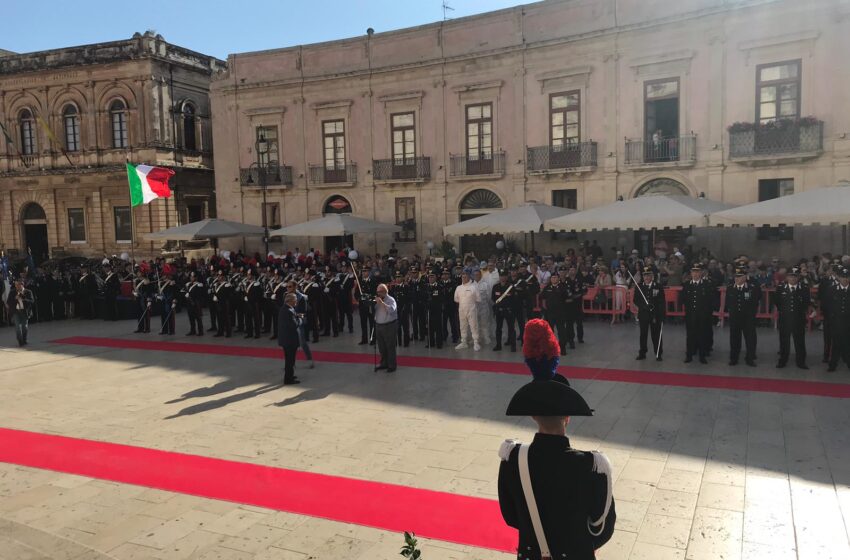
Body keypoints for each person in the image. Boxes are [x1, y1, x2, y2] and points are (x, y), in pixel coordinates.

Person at [498, 320, 616, 560]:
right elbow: (602, 529)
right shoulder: (591, 465)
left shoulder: (513, 460)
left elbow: (511, 516)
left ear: (532, 415)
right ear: (568, 417)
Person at [773, 267, 810, 369]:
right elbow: (777, 302)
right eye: (790, 276)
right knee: (784, 341)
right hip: (785, 319)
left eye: (795, 276)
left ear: (798, 277)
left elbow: (806, 303)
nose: (793, 278)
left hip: (799, 319)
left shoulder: (804, 288)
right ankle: (783, 361)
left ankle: (801, 362)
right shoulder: (781, 288)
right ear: (787, 277)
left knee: (800, 341)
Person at [726, 267, 760, 366]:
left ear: (745, 277)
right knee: (734, 338)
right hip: (735, 317)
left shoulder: (752, 288)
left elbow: (755, 302)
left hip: (748, 318)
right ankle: (734, 358)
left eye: (740, 277)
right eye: (736, 277)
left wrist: (751, 314)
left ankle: (750, 358)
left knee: (750, 339)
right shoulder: (730, 288)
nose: (737, 279)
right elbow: (729, 303)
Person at [681, 263, 714, 364]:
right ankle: (689, 355)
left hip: (703, 316)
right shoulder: (687, 285)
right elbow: (682, 299)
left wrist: (707, 314)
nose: (695, 274)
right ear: (691, 273)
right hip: (691, 315)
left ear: (701, 273)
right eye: (693, 272)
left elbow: (710, 301)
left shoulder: (706, 285)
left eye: (697, 272)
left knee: (702, 335)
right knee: (690, 335)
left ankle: (702, 356)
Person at [634, 266, 666, 361]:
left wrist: (662, 315)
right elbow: (635, 300)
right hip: (643, 314)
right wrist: (644, 306)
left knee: (655, 335)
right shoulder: (639, 286)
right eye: (645, 275)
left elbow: (662, 301)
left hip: (655, 315)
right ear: (643, 276)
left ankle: (658, 353)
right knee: (643, 334)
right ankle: (642, 353)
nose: (647, 277)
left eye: (648, 275)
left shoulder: (658, 286)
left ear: (652, 276)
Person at [826, 267, 849, 372]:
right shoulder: (832, 289)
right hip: (836, 321)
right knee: (836, 343)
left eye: (847, 277)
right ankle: (833, 364)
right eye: (843, 277)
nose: (845, 279)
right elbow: (828, 305)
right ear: (839, 277)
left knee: (848, 342)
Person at [453, 271, 481, 351]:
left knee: (474, 326)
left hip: (471, 309)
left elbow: (478, 299)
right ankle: (464, 342)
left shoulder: (474, 287)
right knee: (462, 326)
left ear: (469, 277)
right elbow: (456, 299)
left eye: (465, 276)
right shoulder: (458, 288)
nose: (464, 278)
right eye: (462, 277)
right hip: (461, 310)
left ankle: (476, 342)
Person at [373, 283, 398, 372]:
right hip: (379, 325)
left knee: (390, 346)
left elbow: (391, 310)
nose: (378, 294)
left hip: (389, 325)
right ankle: (384, 363)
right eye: (377, 292)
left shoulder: (391, 300)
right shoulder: (377, 299)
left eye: (379, 292)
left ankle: (392, 365)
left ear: (384, 291)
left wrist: (382, 303)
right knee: (381, 346)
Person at [277, 292, 301, 385]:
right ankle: (288, 379)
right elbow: (294, 325)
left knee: (290, 360)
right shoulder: (289, 311)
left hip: (286, 339)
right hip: (289, 340)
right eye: (295, 300)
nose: (296, 302)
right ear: (290, 301)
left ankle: (290, 375)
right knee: (290, 360)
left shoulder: (285, 309)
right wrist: (300, 319)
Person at [492, 271, 517, 352]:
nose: (503, 277)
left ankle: (513, 346)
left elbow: (514, 299)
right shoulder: (495, 287)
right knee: (498, 328)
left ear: (507, 277)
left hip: (508, 310)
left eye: (504, 276)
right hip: (499, 311)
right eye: (501, 276)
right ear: (499, 277)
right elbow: (493, 298)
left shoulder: (511, 287)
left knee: (511, 328)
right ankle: (498, 345)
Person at [7, 279, 34, 347]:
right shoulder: (12, 292)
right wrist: (14, 299)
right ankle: (20, 341)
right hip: (16, 311)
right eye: (16, 285)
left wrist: (23, 298)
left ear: (22, 285)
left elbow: (32, 301)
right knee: (17, 328)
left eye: (19, 285)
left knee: (24, 327)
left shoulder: (28, 292)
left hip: (24, 312)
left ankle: (24, 339)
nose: (17, 286)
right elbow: (8, 302)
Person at [474, 269, 493, 347]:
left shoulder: (485, 284)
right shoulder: (472, 285)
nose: (476, 276)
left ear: (480, 275)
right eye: (475, 275)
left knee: (484, 323)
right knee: (475, 324)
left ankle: (486, 337)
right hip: (474, 308)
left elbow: (489, 297)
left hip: (484, 307)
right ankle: (476, 338)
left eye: (478, 274)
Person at [184, 271, 205, 336]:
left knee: (198, 318)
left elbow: (199, 294)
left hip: (196, 303)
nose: (191, 278)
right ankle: (193, 330)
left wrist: (190, 295)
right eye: (191, 277)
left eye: (193, 277)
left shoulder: (199, 285)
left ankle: (200, 331)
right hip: (189, 303)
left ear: (196, 278)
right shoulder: (189, 284)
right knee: (191, 317)